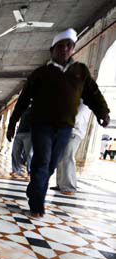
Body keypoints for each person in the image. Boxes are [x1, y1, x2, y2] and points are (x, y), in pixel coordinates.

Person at [6, 28, 110, 217]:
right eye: (60, 46)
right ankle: (37, 205)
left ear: (73, 49)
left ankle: (33, 190)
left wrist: (103, 112)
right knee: (42, 162)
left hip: (65, 128)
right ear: (52, 50)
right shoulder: (41, 73)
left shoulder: (80, 72)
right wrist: (12, 124)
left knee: (51, 165)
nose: (64, 50)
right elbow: (23, 100)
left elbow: (92, 94)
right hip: (41, 126)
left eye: (69, 46)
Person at [51, 101, 91, 195]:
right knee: (60, 158)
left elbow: (77, 116)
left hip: (74, 132)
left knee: (68, 157)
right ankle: (60, 184)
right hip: (65, 130)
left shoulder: (84, 102)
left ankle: (69, 187)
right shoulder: (74, 98)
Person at [10, 108, 32, 178]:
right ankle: (16, 171)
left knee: (29, 154)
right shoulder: (23, 108)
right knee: (15, 153)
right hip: (19, 132)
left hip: (29, 133)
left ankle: (30, 172)